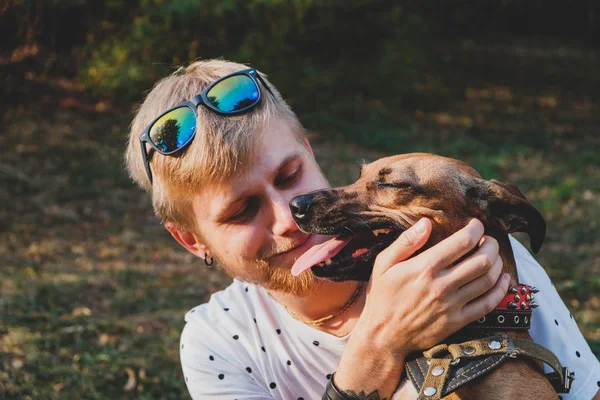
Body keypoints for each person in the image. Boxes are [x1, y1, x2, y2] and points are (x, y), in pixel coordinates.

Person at [125, 59, 600, 399]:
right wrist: (378, 344)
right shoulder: (219, 343)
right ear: (190, 240)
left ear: (309, 153)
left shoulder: (469, 260)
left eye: (289, 176)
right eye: (241, 210)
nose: (289, 216)